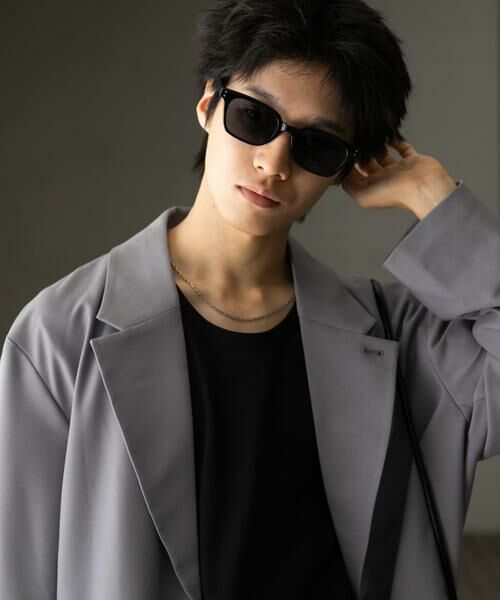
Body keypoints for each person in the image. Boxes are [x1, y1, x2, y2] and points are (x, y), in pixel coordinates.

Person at [0, 0, 499, 599]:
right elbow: (20, 574)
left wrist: (433, 199)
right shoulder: (60, 334)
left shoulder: (399, 338)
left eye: (317, 145)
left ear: (346, 170)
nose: (273, 162)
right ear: (208, 105)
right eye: (255, 117)